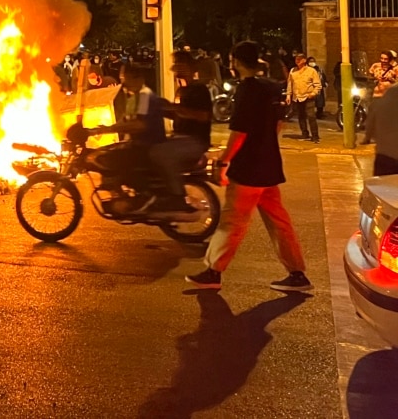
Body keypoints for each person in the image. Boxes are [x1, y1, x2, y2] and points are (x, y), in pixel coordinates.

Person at [185, 41, 312, 293]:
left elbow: (240, 132)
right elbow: (278, 125)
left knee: (232, 221)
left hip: (248, 169)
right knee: (279, 222)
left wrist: (224, 161)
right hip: (269, 166)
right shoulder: (271, 87)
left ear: (236, 62)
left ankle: (213, 271)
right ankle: (297, 273)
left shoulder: (247, 90)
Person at [83, 63, 169, 205]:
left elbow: (139, 125)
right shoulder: (132, 98)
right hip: (136, 143)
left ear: (138, 79)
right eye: (122, 79)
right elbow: (125, 120)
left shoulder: (144, 96)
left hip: (148, 146)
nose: (123, 84)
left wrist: (110, 129)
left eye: (126, 79)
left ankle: (143, 196)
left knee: (118, 160)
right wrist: (102, 129)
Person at [151, 51, 212, 214]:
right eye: (176, 65)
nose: (175, 69)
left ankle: (177, 197)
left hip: (194, 141)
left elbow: (202, 116)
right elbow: (178, 114)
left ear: (190, 68)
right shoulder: (182, 90)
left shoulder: (199, 89)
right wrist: (160, 108)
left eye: (180, 65)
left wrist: (174, 108)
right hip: (179, 139)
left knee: (160, 153)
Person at [286, 52, 323, 143]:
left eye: (299, 59)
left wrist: (313, 93)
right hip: (297, 97)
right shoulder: (293, 71)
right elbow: (290, 84)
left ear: (304, 60)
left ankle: (315, 136)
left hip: (308, 97)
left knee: (311, 116)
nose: (297, 61)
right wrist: (288, 95)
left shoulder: (311, 71)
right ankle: (304, 133)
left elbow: (318, 85)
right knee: (301, 116)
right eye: (296, 59)